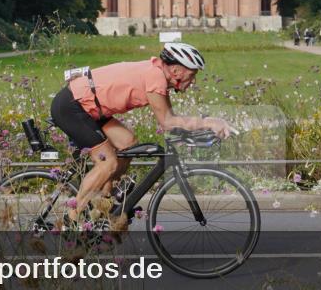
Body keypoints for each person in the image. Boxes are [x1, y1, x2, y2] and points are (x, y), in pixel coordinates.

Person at [50, 42, 234, 224]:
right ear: (176, 71)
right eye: (192, 74)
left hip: (92, 108)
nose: (193, 80)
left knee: (128, 143)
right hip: (72, 106)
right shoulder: (156, 78)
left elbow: (170, 118)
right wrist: (208, 122)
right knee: (109, 163)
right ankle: (71, 218)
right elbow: (167, 122)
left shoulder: (158, 74)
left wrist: (199, 126)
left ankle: (104, 202)